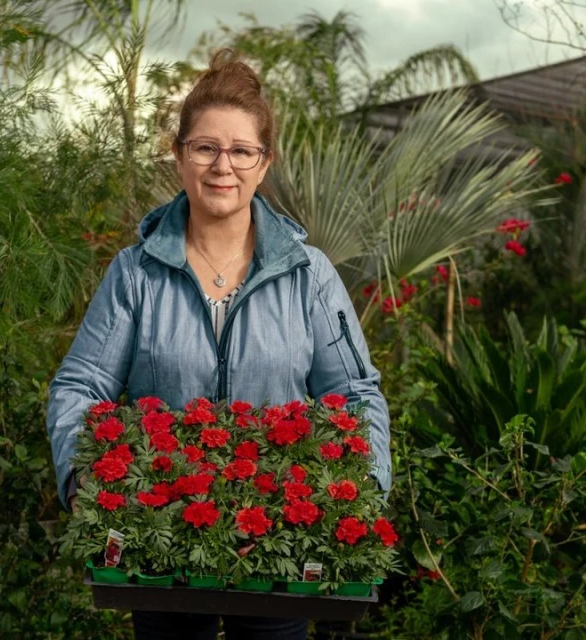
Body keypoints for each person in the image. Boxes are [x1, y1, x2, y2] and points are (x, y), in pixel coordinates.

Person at [47, 49, 392, 640]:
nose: (221, 166)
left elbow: (355, 392)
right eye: (205, 147)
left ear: (264, 164)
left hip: (283, 536)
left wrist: (362, 491)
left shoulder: (309, 275)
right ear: (179, 155)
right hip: (162, 535)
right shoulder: (136, 273)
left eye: (241, 151)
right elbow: (81, 385)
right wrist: (86, 483)